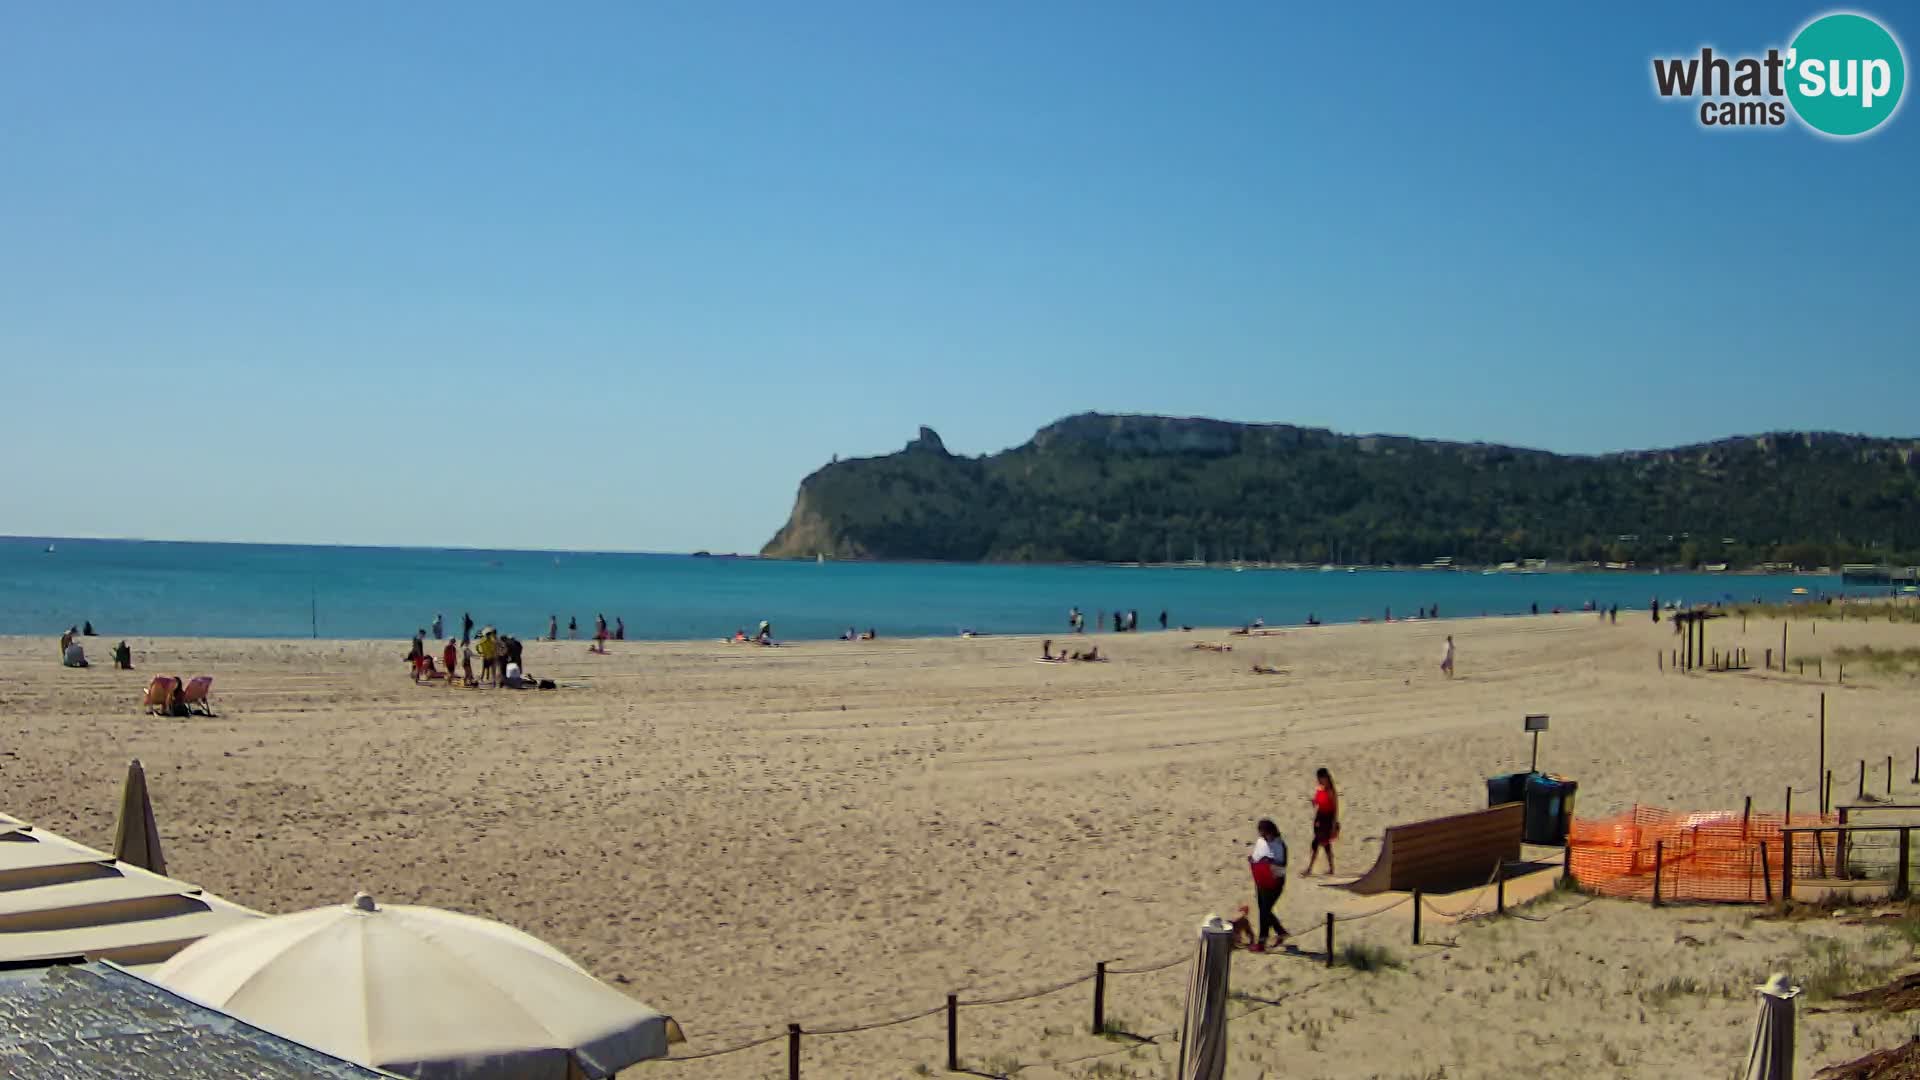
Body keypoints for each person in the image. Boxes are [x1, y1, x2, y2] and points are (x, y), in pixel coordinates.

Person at [1247, 819, 1288, 952]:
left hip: (1274, 883)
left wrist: (1270, 864)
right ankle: (1280, 932)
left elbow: (1281, 869)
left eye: (1265, 833)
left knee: (1264, 912)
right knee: (1264, 909)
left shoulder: (1280, 845)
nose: (1263, 836)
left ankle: (1261, 943)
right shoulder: (1261, 841)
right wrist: (1253, 860)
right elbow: (1256, 855)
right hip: (1261, 880)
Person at [1304, 769, 1339, 876]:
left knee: (1318, 843)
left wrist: (1333, 825)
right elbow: (1318, 802)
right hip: (1320, 818)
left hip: (1327, 819)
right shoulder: (1321, 789)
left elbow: (1335, 808)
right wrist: (1314, 802)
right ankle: (1331, 868)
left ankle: (1310, 869)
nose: (1319, 780)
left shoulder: (1331, 791)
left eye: (1321, 778)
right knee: (1323, 844)